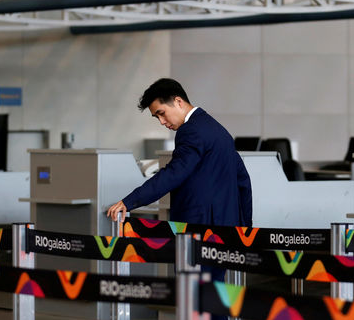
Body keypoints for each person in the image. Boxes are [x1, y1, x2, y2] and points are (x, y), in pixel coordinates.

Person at [106, 78, 252, 227]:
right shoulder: (219, 130)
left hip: (200, 227)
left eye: (161, 113)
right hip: (229, 226)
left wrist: (129, 201)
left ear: (178, 102)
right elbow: (243, 181)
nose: (162, 121)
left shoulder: (190, 130)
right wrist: (246, 227)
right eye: (157, 117)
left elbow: (174, 174)